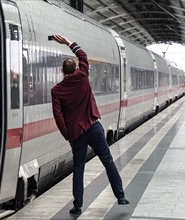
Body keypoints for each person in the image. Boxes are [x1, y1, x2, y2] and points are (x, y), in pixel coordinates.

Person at [50, 34, 129, 215]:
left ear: (62, 72)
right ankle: (121, 196)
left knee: (78, 169)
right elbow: (83, 56)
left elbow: (58, 115)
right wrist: (68, 42)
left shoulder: (56, 90)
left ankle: (78, 205)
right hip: (93, 127)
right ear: (76, 68)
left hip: (76, 134)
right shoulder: (82, 76)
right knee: (108, 162)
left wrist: (67, 134)